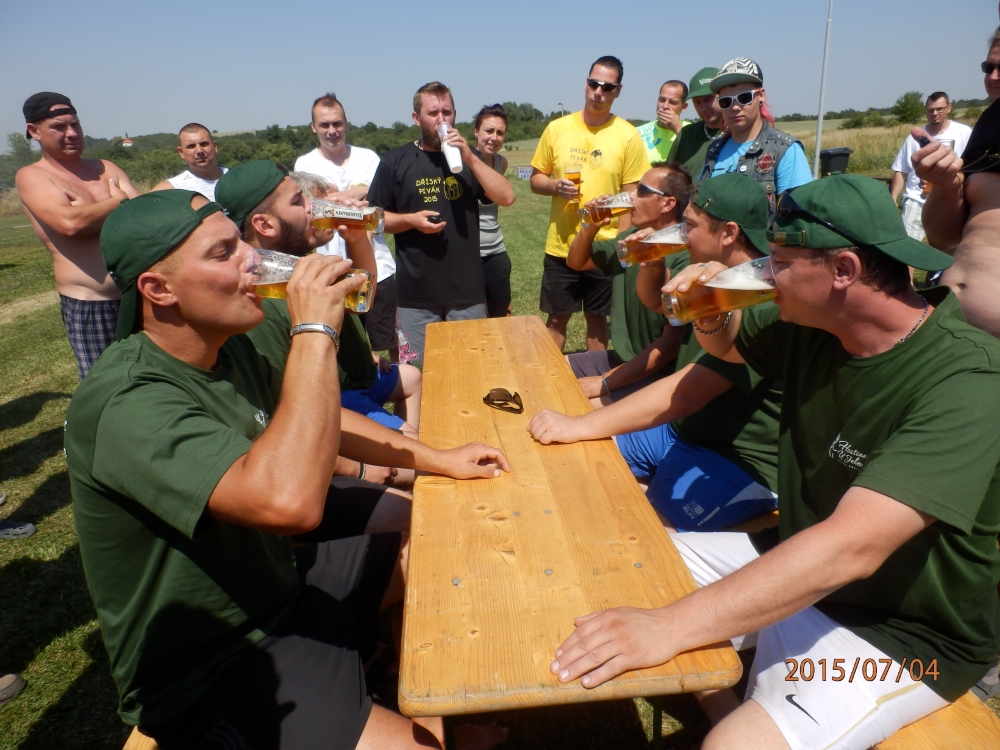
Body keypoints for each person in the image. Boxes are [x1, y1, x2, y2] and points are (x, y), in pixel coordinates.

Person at [549, 174, 1000, 750]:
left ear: (844, 270)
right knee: (607, 564)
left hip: (900, 635)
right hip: (794, 557)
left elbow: (852, 547)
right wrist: (710, 308)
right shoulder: (817, 323)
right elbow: (728, 345)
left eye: (779, 263)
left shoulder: (970, 378)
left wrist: (670, 625)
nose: (763, 273)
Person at [65, 189, 509, 750]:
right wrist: (314, 333)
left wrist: (438, 459)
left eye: (240, 242)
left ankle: (381, 667)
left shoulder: (225, 345)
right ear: (159, 290)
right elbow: (288, 504)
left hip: (280, 585)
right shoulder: (127, 401)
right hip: (214, 660)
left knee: (437, 531)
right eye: (224, 253)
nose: (252, 258)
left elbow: (322, 417)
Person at [216, 161, 499, 490]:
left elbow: (362, 298)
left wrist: (357, 238)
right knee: (436, 455)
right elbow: (299, 408)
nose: (312, 206)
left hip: (351, 377)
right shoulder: (262, 299)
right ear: (265, 224)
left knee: (412, 379)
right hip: (333, 399)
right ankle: (397, 474)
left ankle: (403, 458)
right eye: (298, 201)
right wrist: (359, 466)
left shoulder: (301, 264)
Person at [532, 173, 781, 532]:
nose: (680, 234)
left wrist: (581, 422)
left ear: (728, 233)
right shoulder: (713, 275)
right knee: (566, 461)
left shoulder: (763, 299)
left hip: (737, 458)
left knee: (641, 532)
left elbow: (689, 392)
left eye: (689, 226)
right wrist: (651, 262)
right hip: (680, 431)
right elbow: (661, 309)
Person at [367, 82, 515, 367]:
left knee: (472, 372)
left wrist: (470, 157)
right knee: (417, 377)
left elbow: (507, 197)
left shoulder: (469, 157)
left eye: (447, 112)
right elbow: (373, 219)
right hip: (415, 297)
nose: (441, 119)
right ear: (416, 118)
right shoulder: (395, 161)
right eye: (433, 113)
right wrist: (410, 221)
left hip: (467, 294)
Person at [15, 92, 140, 379]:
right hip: (93, 304)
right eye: (59, 127)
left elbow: (144, 216)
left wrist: (93, 212)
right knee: (109, 389)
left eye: (75, 124)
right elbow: (70, 224)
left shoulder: (106, 167)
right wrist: (120, 202)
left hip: (140, 296)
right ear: (34, 131)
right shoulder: (33, 176)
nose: (71, 133)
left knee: (159, 381)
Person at [530, 55, 650, 352]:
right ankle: (551, 375)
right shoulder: (557, 128)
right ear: (585, 84)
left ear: (617, 91)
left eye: (607, 87)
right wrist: (555, 185)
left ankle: (596, 377)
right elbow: (536, 179)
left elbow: (632, 196)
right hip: (561, 244)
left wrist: (622, 245)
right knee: (556, 320)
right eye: (594, 84)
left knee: (597, 320)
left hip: (603, 247)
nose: (598, 92)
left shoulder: (627, 135)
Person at [563, 163, 689, 407]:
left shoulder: (684, 255)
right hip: (622, 362)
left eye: (641, 191)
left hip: (659, 376)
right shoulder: (628, 240)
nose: (631, 196)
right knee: (550, 368)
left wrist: (605, 381)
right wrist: (592, 224)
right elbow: (576, 261)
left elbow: (670, 345)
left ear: (668, 204)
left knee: (572, 405)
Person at [294, 94, 400, 359]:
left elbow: (378, 205)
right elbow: (315, 208)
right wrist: (360, 192)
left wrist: (335, 198)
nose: (332, 131)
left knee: (391, 341)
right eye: (324, 125)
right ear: (313, 127)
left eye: (337, 123)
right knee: (344, 347)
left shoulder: (368, 158)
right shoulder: (305, 164)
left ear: (346, 123)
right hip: (331, 270)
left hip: (378, 266)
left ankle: (401, 377)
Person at [916, 25, 1000, 337]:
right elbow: (945, 240)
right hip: (955, 330)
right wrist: (946, 185)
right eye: (989, 67)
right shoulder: (990, 125)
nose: (993, 77)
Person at [700, 58, 812, 218]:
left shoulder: (785, 150)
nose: (735, 107)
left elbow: (798, 219)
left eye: (744, 98)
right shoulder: (714, 150)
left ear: (761, 96)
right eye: (725, 102)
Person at [890, 93, 972, 241]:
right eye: (930, 110)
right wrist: (893, 197)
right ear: (925, 111)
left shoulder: (964, 132)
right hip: (917, 198)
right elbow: (901, 169)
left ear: (949, 108)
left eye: (939, 109)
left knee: (950, 246)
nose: (935, 113)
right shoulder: (916, 137)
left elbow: (972, 166)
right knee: (909, 246)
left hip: (949, 199)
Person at [474, 104, 513, 318]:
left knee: (500, 319)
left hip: (496, 252)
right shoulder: (461, 162)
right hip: (469, 256)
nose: (494, 138)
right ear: (476, 131)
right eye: (489, 131)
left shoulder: (501, 162)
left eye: (500, 133)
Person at [667, 68, 724, 177]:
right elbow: (668, 177)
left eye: (708, 99)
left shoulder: (739, 133)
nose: (703, 108)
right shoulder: (686, 135)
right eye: (697, 101)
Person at [151, 123, 228, 201]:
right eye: (191, 146)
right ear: (181, 152)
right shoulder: (169, 189)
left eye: (204, 144)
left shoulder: (234, 177)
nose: (199, 151)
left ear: (215, 146)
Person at [636, 80, 690, 164]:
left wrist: (678, 129)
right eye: (662, 100)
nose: (665, 106)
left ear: (683, 107)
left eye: (672, 102)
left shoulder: (693, 131)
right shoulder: (638, 132)